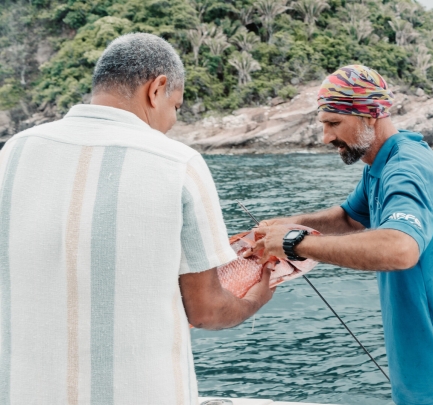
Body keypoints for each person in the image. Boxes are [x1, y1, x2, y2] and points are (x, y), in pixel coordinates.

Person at [0, 33, 274, 404]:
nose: (172, 121)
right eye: (176, 107)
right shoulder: (179, 163)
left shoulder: (15, 151)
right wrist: (258, 297)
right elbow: (207, 309)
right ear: (157, 89)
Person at [249, 65, 433, 405]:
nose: (326, 137)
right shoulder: (382, 163)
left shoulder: (406, 169)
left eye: (333, 123)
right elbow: (350, 217)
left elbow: (401, 248)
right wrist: (289, 222)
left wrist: (295, 245)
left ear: (370, 116)